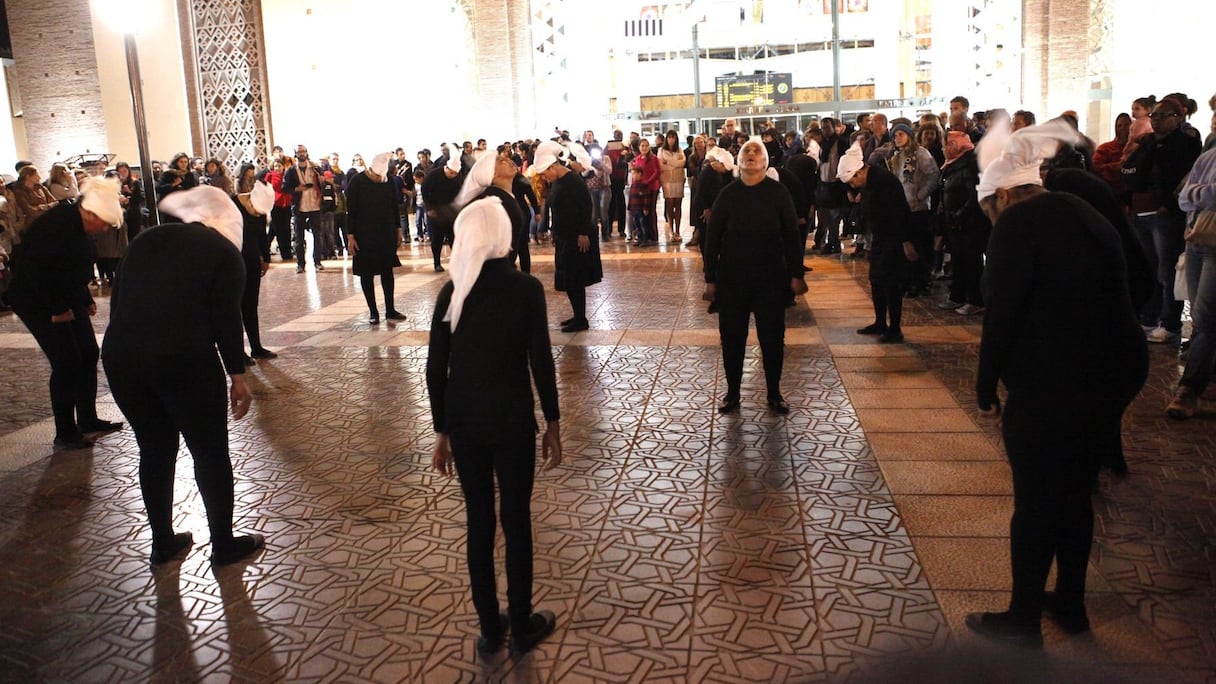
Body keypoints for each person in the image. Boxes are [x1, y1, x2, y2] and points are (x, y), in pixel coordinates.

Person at [965, 121, 1148, 649]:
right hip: (1117, 370)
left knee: (1037, 496)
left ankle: (1022, 620)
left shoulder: (1016, 225)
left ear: (1002, 195)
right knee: (1074, 487)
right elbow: (1143, 278)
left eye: (987, 209)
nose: (989, 218)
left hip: (1058, 379)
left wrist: (986, 382)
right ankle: (1069, 602)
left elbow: (1001, 310)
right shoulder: (1084, 209)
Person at [103, 185, 265, 567]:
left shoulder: (146, 238)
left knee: (154, 449)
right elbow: (227, 321)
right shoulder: (226, 254)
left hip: (122, 356)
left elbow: (118, 301)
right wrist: (237, 375)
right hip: (183, 358)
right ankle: (223, 545)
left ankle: (163, 543)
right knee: (208, 450)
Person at [426, 196, 561, 656]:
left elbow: (434, 368)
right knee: (516, 519)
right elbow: (540, 360)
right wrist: (554, 422)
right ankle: (521, 623)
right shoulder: (525, 289)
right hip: (511, 419)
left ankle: (489, 627)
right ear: (505, 235)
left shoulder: (453, 291)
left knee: (479, 521)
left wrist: (441, 431)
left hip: (465, 422)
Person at [7, 177, 126, 449]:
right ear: (91, 213)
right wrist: (58, 310)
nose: (105, 228)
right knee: (66, 361)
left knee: (87, 352)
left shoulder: (79, 225)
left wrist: (84, 300)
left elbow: (75, 269)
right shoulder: (58, 224)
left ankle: (87, 418)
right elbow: (41, 271)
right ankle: (65, 431)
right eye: (104, 222)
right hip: (37, 300)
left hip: (66, 295)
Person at [702, 138, 808, 414]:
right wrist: (710, 277)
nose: (751, 154)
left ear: (764, 161)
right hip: (733, 279)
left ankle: (774, 392)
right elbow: (711, 238)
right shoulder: (728, 194)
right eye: (747, 150)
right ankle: (733, 393)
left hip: (771, 278)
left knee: (772, 338)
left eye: (756, 150)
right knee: (732, 338)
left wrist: (796, 273)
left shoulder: (778, 192)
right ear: (739, 160)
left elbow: (791, 236)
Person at [1123, 98, 1203, 344]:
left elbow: (1183, 177)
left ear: (1178, 117)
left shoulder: (1186, 142)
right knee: (1149, 266)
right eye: (1154, 116)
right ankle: (1150, 315)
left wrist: (1169, 205)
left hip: (1165, 213)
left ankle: (1170, 323)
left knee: (1166, 270)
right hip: (1142, 208)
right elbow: (1129, 169)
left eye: (1162, 116)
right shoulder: (1148, 141)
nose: (1155, 120)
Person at [838, 143, 918, 343]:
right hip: (880, 238)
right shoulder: (870, 182)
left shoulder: (884, 181)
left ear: (858, 173)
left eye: (852, 182)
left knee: (891, 284)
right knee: (876, 281)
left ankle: (895, 328)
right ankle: (880, 322)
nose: (853, 186)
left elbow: (900, 212)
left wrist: (906, 241)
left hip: (894, 238)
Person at [531, 140, 602, 332]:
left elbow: (587, 207)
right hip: (564, 236)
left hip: (577, 237)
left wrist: (583, 233)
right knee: (569, 278)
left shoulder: (573, 181)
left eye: (546, 172)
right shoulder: (559, 182)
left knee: (575, 277)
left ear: (554, 166)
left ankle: (581, 319)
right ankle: (577, 315)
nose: (545, 177)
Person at [1167, 146, 1216, 418]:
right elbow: (1182, 195)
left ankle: (1189, 388)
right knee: (1202, 316)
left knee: (1206, 319)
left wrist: (1198, 192)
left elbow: (1198, 193)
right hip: (1198, 238)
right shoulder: (1209, 156)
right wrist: (1200, 194)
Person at [346, 153, 405, 324]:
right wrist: (351, 236)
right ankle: (373, 312)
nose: (380, 179)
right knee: (367, 273)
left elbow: (395, 206)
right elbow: (351, 211)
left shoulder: (389, 181)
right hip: (364, 235)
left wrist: (398, 229)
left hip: (385, 233)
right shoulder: (357, 182)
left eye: (383, 176)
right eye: (377, 176)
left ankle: (390, 309)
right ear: (370, 170)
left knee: (387, 272)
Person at [938, 131, 990, 315]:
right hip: (955, 222)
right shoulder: (953, 164)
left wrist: (959, 215)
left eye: (946, 145)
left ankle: (975, 300)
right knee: (958, 260)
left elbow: (974, 195)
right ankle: (957, 296)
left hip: (969, 223)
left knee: (971, 262)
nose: (944, 149)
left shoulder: (969, 165)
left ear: (955, 145)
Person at [234, 180, 277, 361]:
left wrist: (266, 258)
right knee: (234, 307)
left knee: (251, 305)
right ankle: (237, 351)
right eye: (255, 211)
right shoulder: (232, 205)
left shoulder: (260, 210)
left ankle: (256, 347)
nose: (257, 214)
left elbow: (262, 235)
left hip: (251, 261)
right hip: (232, 261)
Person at [282, 145, 327, 274]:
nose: (302, 153)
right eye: (299, 152)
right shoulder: (291, 170)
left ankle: (317, 261)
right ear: (295, 154)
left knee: (317, 235)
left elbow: (323, 184)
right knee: (299, 237)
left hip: (315, 204)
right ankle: (300, 264)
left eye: (304, 151)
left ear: (307, 153)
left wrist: (321, 180)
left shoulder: (316, 167)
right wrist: (297, 189)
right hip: (300, 207)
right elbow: (284, 188)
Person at [421, 155, 464, 272]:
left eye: (455, 174)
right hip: (435, 211)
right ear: (447, 168)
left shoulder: (458, 177)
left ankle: (457, 262)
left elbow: (462, 192)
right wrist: (429, 208)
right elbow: (424, 191)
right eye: (451, 173)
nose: (453, 176)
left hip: (451, 211)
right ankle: (437, 263)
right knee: (437, 238)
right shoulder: (434, 175)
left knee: (454, 238)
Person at [658, 130, 686, 241]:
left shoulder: (680, 150)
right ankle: (671, 230)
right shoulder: (661, 150)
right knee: (669, 204)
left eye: (673, 137)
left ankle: (678, 231)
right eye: (669, 137)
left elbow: (682, 163)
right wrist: (675, 164)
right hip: (666, 180)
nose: (671, 139)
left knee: (678, 204)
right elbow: (661, 165)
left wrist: (668, 162)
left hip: (678, 179)